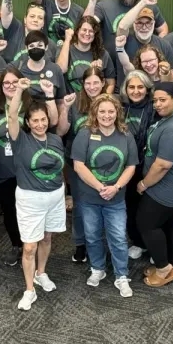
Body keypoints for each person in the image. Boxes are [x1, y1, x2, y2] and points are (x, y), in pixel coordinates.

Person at [7, 81, 67, 310]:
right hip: (30, 199)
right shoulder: (20, 140)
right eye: (35, 121)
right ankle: (29, 289)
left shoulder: (55, 140)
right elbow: (12, 116)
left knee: (47, 238)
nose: (40, 124)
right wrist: (19, 90)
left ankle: (42, 273)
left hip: (54, 197)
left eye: (43, 120)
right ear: (28, 123)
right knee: (29, 246)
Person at [72, 94, 138, 298]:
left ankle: (121, 276)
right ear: (95, 113)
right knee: (92, 236)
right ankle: (97, 269)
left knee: (118, 237)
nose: (106, 115)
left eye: (111, 111)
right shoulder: (85, 133)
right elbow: (78, 165)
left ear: (117, 112)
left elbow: (131, 166)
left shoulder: (126, 135)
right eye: (102, 111)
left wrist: (116, 187)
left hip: (116, 198)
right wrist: (101, 187)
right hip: (89, 198)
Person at [137, 82, 173, 287]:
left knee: (146, 223)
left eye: (162, 100)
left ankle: (163, 270)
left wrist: (143, 184)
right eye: (155, 101)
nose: (157, 105)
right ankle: (172, 265)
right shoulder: (171, 118)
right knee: (171, 223)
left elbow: (162, 165)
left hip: (168, 185)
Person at [0, 67, 36, 266]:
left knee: (29, 212)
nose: (10, 86)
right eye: (6, 83)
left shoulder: (31, 106)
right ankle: (16, 245)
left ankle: (31, 247)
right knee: (9, 211)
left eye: (15, 82)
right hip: (3, 171)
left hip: (28, 171)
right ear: (0, 87)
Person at [56, 67, 106, 258]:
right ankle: (80, 243)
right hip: (76, 163)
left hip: (104, 163)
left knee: (104, 202)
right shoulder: (75, 102)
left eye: (95, 82)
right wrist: (65, 109)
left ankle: (101, 241)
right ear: (82, 84)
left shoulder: (111, 103)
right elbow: (61, 131)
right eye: (88, 83)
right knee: (80, 204)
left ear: (103, 83)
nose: (92, 87)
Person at [85, 0, 168, 60]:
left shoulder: (149, 5)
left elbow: (163, 30)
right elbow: (86, 24)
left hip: (144, 64)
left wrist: (154, 51)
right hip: (111, 65)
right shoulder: (104, 6)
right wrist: (92, 1)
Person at [121, 70, 156, 259]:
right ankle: (138, 242)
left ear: (147, 88)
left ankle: (154, 245)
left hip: (148, 165)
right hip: (126, 165)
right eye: (131, 87)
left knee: (150, 207)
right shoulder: (121, 106)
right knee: (130, 205)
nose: (135, 91)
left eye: (140, 87)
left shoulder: (155, 107)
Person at [0, 31, 67, 104]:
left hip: (47, 117)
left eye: (40, 45)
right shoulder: (17, 66)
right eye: (31, 46)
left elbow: (61, 100)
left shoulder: (55, 69)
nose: (36, 48)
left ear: (46, 47)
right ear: (26, 48)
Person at [113, 0, 173, 87]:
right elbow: (122, 26)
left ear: (154, 24)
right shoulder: (124, 41)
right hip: (127, 95)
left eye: (148, 23)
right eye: (139, 23)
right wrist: (144, 2)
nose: (144, 27)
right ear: (133, 24)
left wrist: (166, 74)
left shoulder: (164, 45)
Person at [57, 15, 116, 93]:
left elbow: (111, 84)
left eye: (91, 31)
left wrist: (101, 101)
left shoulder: (103, 54)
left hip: (95, 103)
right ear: (77, 31)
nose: (87, 33)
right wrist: (67, 39)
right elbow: (61, 69)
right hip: (70, 103)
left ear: (95, 34)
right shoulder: (65, 49)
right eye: (84, 30)